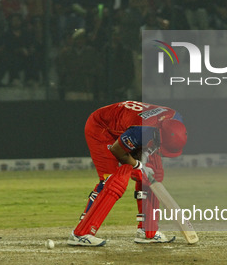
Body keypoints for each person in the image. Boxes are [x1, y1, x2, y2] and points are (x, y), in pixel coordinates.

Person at [67, 101, 188, 247]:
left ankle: (148, 231)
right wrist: (138, 165)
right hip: (102, 128)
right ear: (159, 135)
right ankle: (81, 233)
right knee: (114, 181)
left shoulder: (176, 121)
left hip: (130, 126)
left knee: (154, 173)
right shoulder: (141, 130)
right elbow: (118, 151)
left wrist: (144, 165)